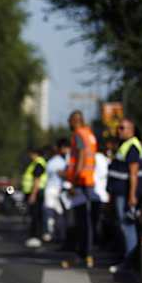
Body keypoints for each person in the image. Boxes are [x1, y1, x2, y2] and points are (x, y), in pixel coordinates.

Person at [107, 118, 142, 274]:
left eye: (122, 128)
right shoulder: (124, 145)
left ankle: (129, 262)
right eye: (118, 128)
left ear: (131, 130)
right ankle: (127, 259)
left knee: (127, 226)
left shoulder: (133, 147)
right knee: (123, 225)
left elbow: (134, 174)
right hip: (120, 192)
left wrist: (132, 196)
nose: (118, 131)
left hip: (126, 193)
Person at [62, 110, 98, 269]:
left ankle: (82, 253)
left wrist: (74, 180)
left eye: (69, 121)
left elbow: (82, 155)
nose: (68, 124)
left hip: (81, 181)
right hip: (88, 180)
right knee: (86, 220)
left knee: (80, 220)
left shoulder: (78, 134)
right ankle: (86, 254)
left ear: (74, 121)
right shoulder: (89, 134)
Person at [44, 138, 69, 243]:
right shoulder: (60, 161)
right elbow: (62, 174)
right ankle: (60, 235)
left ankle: (51, 234)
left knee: (50, 213)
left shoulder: (51, 162)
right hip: (57, 189)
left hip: (51, 189)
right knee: (59, 213)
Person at [22, 147, 47, 248]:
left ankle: (35, 237)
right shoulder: (37, 163)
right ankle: (36, 236)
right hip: (36, 193)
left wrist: (33, 195)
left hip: (36, 193)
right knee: (35, 215)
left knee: (35, 216)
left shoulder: (38, 164)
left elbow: (37, 180)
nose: (30, 156)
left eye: (31, 154)